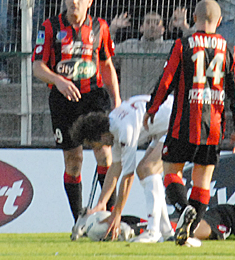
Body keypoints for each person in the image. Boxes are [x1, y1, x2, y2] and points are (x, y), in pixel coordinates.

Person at [144, 0, 235, 247]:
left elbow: (165, 81)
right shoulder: (230, 50)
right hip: (213, 128)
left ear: (193, 17)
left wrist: (152, 108)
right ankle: (188, 232)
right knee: (203, 180)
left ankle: (183, 211)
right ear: (220, 22)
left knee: (171, 172)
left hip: (183, 122)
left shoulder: (182, 45)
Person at [32, 0, 121, 227]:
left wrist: (117, 100)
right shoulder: (50, 27)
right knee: (74, 160)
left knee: (104, 154)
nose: (74, 1)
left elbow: (106, 65)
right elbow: (37, 67)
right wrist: (58, 81)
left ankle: (108, 217)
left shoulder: (99, 27)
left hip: (93, 97)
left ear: (89, 1)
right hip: (63, 100)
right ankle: (79, 221)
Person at [70, 95, 175, 243]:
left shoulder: (125, 129)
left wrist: (117, 213)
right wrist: (101, 204)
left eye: (95, 145)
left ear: (101, 136)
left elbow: (127, 177)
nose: (98, 148)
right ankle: (166, 232)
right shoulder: (114, 124)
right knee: (146, 170)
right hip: (167, 125)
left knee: (147, 169)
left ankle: (153, 231)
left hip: (179, 121)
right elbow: (115, 167)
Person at [111, 12, 174, 100]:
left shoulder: (171, 47)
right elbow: (107, 56)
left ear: (163, 29)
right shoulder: (128, 46)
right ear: (141, 28)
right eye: (148, 22)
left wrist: (184, 27)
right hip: (129, 104)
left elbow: (193, 50)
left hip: (158, 105)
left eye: (156, 23)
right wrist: (112, 31)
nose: (152, 26)